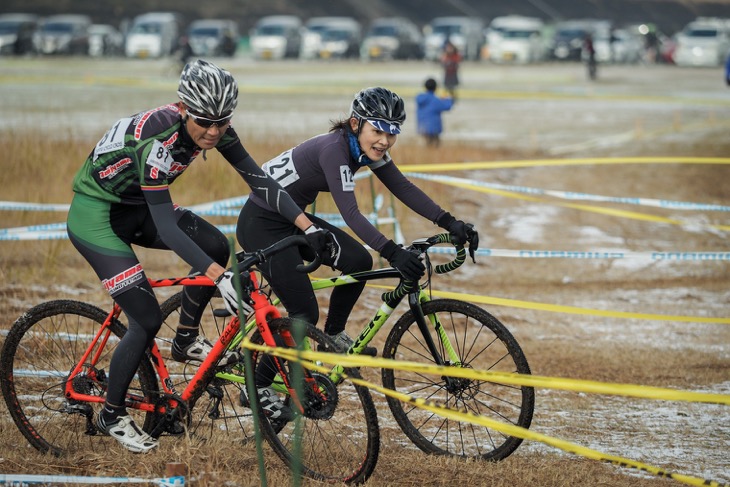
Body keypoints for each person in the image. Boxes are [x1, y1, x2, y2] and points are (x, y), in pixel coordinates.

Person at [66, 59, 332, 452]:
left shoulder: (216, 126)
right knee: (146, 316)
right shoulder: (158, 139)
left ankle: (185, 339)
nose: (213, 132)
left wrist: (307, 225)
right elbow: (168, 226)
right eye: (204, 122)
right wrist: (219, 276)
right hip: (97, 215)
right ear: (183, 107)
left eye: (222, 123)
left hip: (135, 205)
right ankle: (111, 412)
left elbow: (260, 180)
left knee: (216, 245)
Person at [236, 87, 479, 419]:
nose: (384, 140)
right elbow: (351, 214)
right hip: (261, 224)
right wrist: (392, 252)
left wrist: (450, 221)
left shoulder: (365, 149)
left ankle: (333, 334)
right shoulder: (335, 150)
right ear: (356, 123)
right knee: (303, 312)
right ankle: (258, 385)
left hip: (295, 221)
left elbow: (402, 187)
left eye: (392, 133)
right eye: (377, 130)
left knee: (358, 262)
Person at [415, 77, 454, 147]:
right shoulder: (435, 100)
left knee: (426, 146)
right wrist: (447, 98)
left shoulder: (420, 98)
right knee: (435, 146)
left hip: (422, 127)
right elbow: (447, 107)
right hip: (434, 129)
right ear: (436, 88)